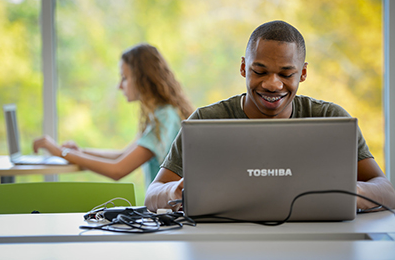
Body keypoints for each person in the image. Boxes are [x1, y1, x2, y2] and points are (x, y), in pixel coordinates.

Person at [144, 20, 395, 212]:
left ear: (303, 73)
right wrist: (176, 191)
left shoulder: (332, 118)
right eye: (259, 71)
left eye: (286, 74)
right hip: (222, 243)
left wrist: (351, 191)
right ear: (244, 67)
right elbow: (152, 193)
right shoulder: (206, 121)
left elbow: (387, 191)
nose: (273, 85)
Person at [33, 43, 193, 187]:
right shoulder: (162, 114)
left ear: (142, 79)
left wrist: (59, 152)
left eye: (124, 78)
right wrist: (80, 151)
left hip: (169, 213)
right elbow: (123, 154)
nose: (119, 86)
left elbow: (118, 169)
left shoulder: (165, 118)